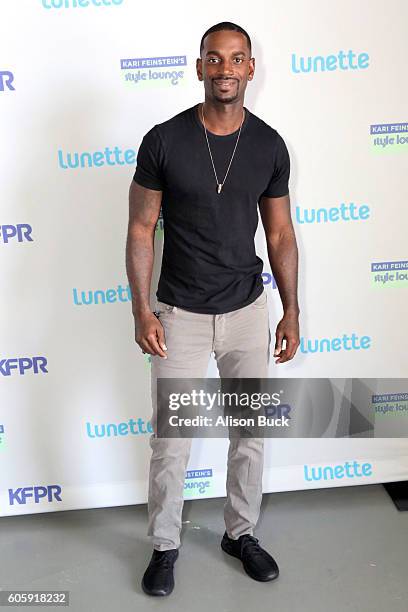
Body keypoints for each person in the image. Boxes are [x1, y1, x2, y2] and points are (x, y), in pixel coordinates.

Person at [125, 21, 300, 597]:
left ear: (251, 68)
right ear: (199, 66)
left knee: (250, 433)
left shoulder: (270, 145)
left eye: (236, 59)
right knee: (171, 441)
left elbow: (280, 236)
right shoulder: (165, 140)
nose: (225, 68)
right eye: (214, 58)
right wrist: (141, 310)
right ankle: (165, 545)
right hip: (180, 314)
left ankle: (239, 533)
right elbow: (141, 228)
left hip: (248, 311)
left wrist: (290, 310)